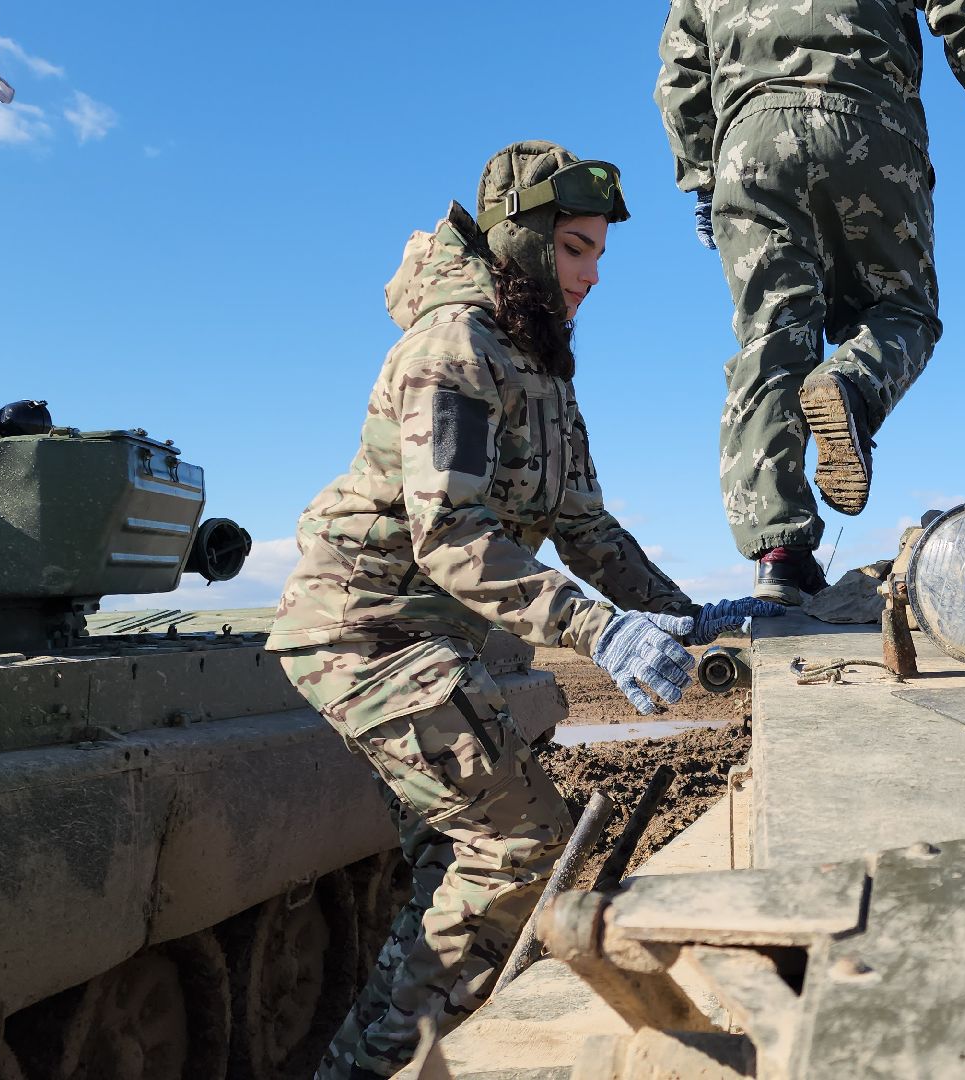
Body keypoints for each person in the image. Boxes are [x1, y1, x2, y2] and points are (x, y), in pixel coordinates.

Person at [266, 141, 781, 1079]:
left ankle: (384, 1046)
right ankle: (378, 1064)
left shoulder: (541, 364)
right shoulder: (452, 348)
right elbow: (450, 536)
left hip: (433, 636)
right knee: (520, 844)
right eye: (575, 249)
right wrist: (598, 629)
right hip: (364, 631)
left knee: (453, 863)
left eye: (598, 257)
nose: (590, 277)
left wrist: (688, 616)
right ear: (524, 242)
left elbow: (583, 525)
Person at [655, 0, 965, 604]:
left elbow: (682, 71)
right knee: (902, 309)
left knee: (774, 335)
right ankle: (852, 387)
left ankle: (779, 554)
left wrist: (701, 175)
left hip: (750, 142)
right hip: (869, 123)